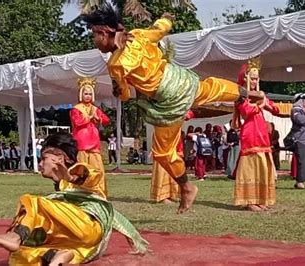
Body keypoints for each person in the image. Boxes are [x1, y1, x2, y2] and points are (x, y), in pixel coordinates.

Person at [81, 3, 264, 213]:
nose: (95, 42)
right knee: (211, 87)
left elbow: (123, 95)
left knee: (163, 152)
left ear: (104, 32)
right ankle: (248, 94)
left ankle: (186, 187)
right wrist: (167, 17)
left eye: (94, 36)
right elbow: (161, 28)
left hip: (169, 97)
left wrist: (118, 88)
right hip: (179, 79)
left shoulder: (116, 64)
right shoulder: (138, 35)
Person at [0, 132, 148, 265]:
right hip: (80, 245)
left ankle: (15, 236)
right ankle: (58, 256)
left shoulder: (80, 176)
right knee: (18, 256)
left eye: (44, 158)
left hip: (88, 226)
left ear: (60, 158)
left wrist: (72, 177)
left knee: (31, 200)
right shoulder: (58, 196)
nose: (40, 164)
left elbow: (89, 175)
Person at [232, 59, 279, 212]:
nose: (254, 81)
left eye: (256, 78)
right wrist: (261, 104)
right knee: (250, 167)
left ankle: (260, 199)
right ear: (245, 78)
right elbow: (246, 111)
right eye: (252, 78)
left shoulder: (260, 95)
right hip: (250, 134)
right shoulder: (240, 95)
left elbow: (276, 109)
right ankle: (249, 200)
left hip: (262, 135)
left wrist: (267, 102)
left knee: (263, 167)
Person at [70, 77, 110, 197]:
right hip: (81, 142)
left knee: (97, 169)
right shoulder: (76, 109)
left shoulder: (95, 109)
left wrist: (98, 118)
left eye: (89, 94)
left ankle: (98, 192)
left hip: (94, 143)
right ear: (81, 94)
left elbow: (106, 120)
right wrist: (89, 117)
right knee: (81, 169)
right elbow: (77, 122)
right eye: (85, 93)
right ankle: (80, 192)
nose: (87, 96)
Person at [291, 93, 305, 189]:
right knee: (302, 161)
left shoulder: (304, 111)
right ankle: (300, 182)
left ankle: (301, 181)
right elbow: (300, 121)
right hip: (300, 139)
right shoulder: (296, 110)